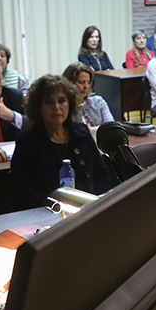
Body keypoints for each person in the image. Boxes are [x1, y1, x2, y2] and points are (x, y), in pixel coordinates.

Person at [10, 74, 112, 209]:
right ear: (38, 107)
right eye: (49, 102)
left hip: (89, 209)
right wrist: (56, 206)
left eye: (62, 101)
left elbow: (102, 174)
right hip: (48, 213)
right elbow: (24, 189)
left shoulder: (82, 132)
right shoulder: (27, 141)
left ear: (69, 104)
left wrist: (93, 203)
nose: (56, 107)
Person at [63, 61, 113, 128]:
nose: (86, 86)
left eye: (88, 82)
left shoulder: (98, 102)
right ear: (69, 83)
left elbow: (112, 128)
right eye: (81, 82)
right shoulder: (65, 108)